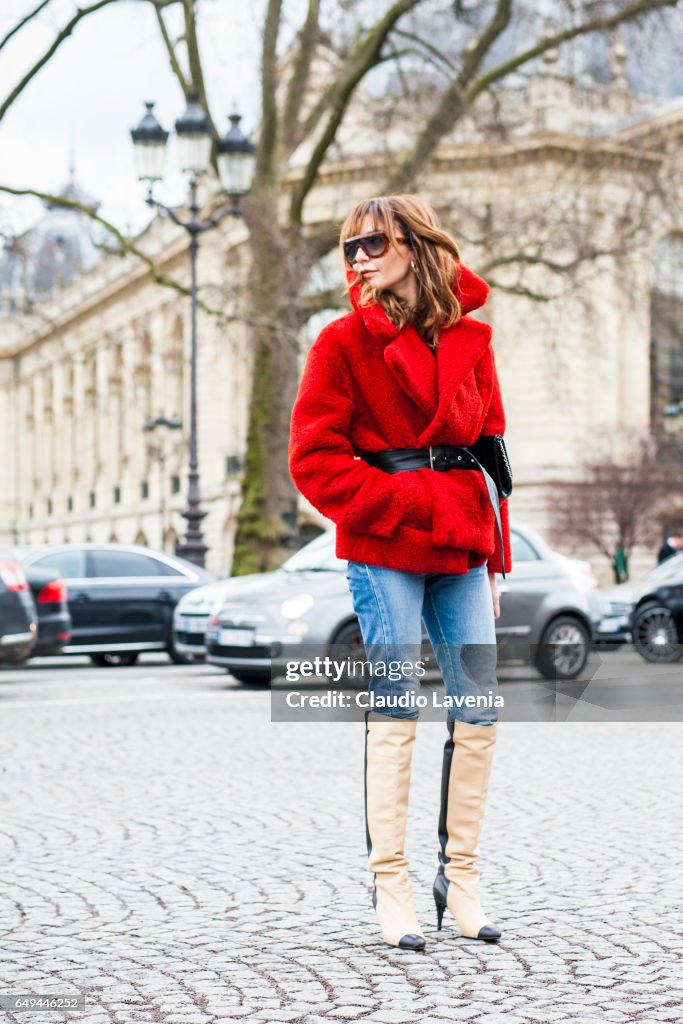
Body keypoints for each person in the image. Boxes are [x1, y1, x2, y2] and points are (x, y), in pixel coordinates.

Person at [288, 194, 512, 951]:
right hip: (387, 542)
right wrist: (399, 501)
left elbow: (492, 457)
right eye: (348, 248)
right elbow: (312, 460)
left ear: (412, 245)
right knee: (396, 706)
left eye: (372, 243)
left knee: (478, 708)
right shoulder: (341, 342)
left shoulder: (472, 340)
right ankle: (392, 882)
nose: (358, 258)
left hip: (462, 543)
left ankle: (464, 876)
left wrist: (494, 563)